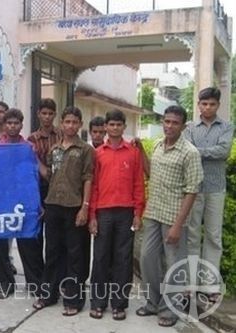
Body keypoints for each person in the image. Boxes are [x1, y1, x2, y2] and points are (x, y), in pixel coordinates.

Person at [137, 105, 203, 327]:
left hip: (174, 217)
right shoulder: (157, 144)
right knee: (147, 258)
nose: (169, 126)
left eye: (175, 122)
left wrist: (177, 225)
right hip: (154, 212)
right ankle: (153, 302)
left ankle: (170, 309)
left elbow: (192, 190)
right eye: (166, 121)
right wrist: (140, 152)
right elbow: (150, 173)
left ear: (183, 126)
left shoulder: (190, 152)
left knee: (174, 265)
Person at [33, 106, 93, 316]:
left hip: (74, 207)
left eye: (74, 122)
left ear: (80, 124)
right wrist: (35, 160)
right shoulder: (54, 149)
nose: (70, 126)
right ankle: (48, 294)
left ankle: (73, 299)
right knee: (52, 252)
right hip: (53, 206)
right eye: (67, 122)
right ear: (62, 124)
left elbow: (88, 179)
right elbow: (50, 175)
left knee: (74, 255)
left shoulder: (85, 150)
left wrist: (84, 208)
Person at [88, 109, 145, 320]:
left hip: (126, 213)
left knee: (123, 259)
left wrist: (138, 213)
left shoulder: (133, 152)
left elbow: (139, 185)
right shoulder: (98, 153)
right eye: (110, 125)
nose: (114, 128)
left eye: (118, 125)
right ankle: (98, 302)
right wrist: (92, 216)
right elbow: (93, 186)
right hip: (103, 212)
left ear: (124, 127)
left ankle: (119, 304)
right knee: (101, 258)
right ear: (106, 127)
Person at [184, 87, 234, 303]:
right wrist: (205, 151)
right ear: (198, 105)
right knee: (192, 236)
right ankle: (191, 284)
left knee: (213, 237)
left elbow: (223, 151)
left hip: (215, 188)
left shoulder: (227, 126)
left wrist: (198, 151)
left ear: (218, 106)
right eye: (204, 104)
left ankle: (210, 286)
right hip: (193, 188)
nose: (207, 107)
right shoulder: (189, 128)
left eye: (212, 104)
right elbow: (187, 151)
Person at [24, 98, 62, 297]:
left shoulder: (62, 135)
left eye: (50, 113)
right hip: (37, 190)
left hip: (59, 192)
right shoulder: (31, 139)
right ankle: (37, 282)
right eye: (44, 113)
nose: (47, 117)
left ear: (54, 115)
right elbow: (31, 166)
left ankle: (54, 281)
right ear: (38, 114)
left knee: (54, 240)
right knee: (35, 238)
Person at [0, 108, 31, 299]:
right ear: (4, 125)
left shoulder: (28, 147)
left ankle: (33, 283)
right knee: (1, 245)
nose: (12, 126)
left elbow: (32, 176)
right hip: (2, 202)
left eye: (16, 123)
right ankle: (5, 283)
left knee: (27, 243)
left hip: (24, 201)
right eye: (9, 123)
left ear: (21, 125)